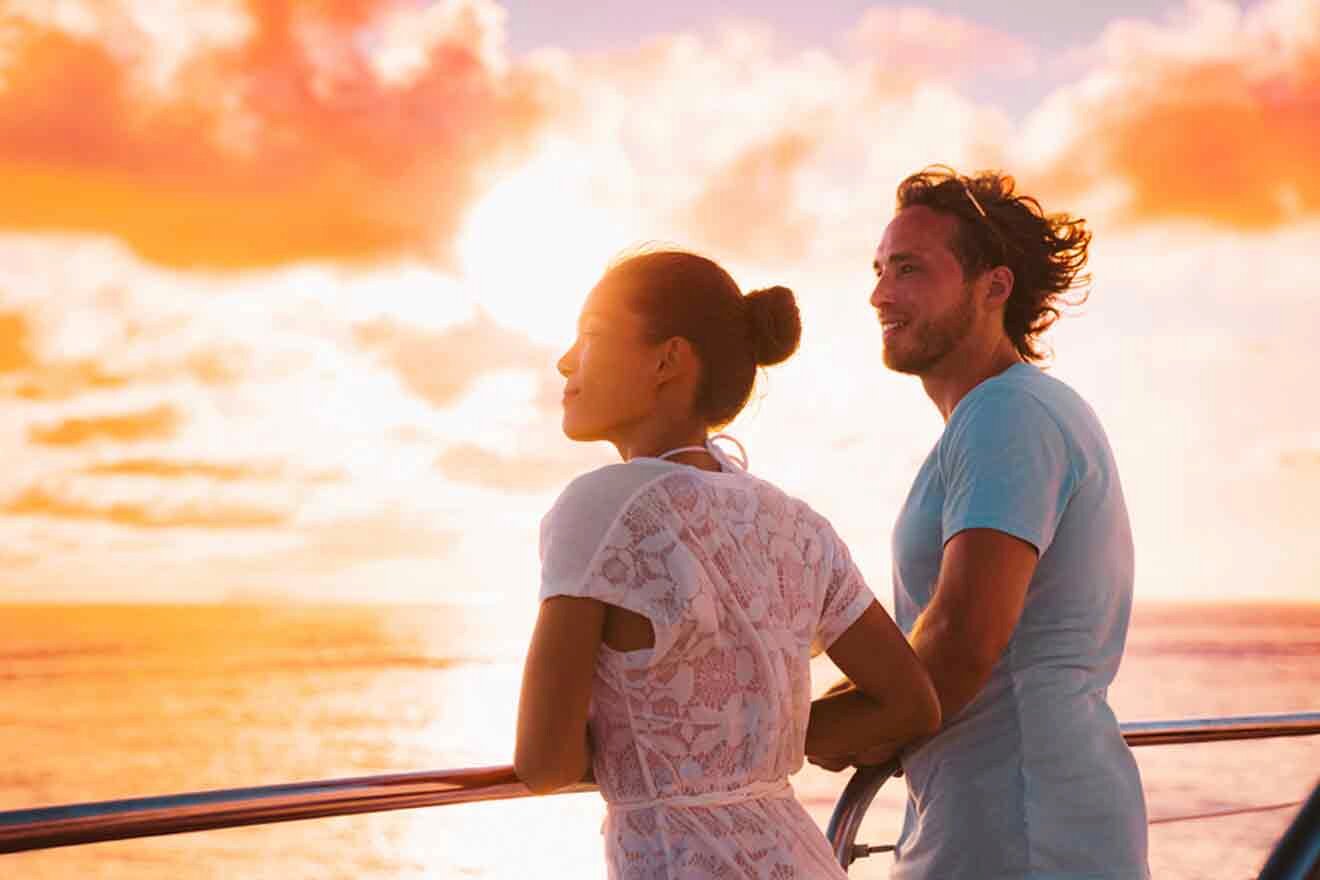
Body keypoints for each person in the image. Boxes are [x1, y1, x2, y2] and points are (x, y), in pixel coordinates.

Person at [513, 249, 942, 879]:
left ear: (669, 360)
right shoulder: (797, 524)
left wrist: (669, 758)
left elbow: (544, 762)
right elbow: (911, 703)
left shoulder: (599, 507)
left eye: (593, 336)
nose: (566, 359)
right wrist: (756, 748)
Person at [810, 167, 1150, 879]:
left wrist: (783, 736)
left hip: (1025, 837)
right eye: (878, 271)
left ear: (993, 286)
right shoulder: (1003, 416)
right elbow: (936, 641)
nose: (880, 295)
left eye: (909, 270)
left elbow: (961, 643)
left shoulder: (1009, 414)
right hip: (1011, 824)